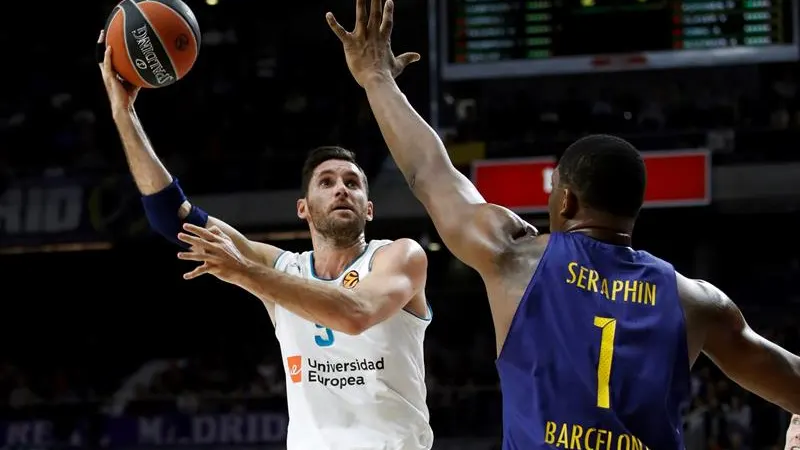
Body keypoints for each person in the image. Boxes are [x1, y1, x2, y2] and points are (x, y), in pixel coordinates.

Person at [325, 1, 800, 448]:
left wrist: (377, 80)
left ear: (567, 200)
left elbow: (428, 172)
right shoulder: (695, 301)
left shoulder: (515, 259)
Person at [96, 30, 433, 450]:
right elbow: (173, 218)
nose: (341, 189)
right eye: (326, 182)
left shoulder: (398, 256)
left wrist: (245, 271)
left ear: (369, 208)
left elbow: (356, 313)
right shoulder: (282, 268)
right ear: (303, 208)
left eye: (352, 183)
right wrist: (123, 115)